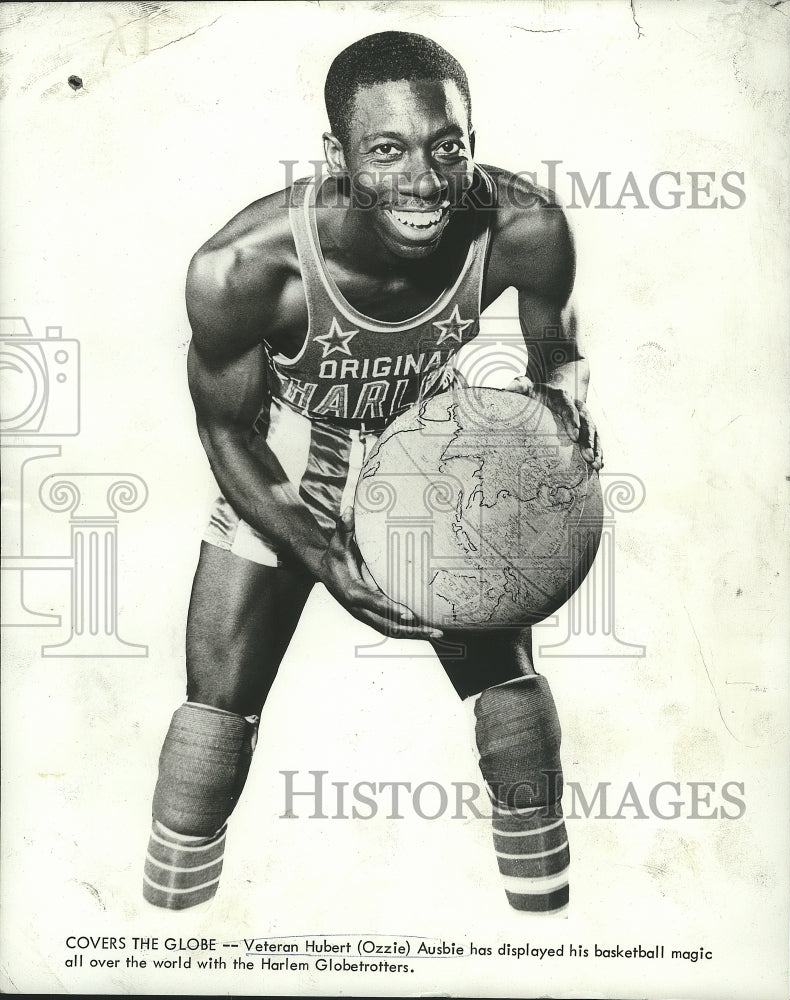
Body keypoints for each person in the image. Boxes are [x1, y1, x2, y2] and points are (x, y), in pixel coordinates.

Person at [142, 30, 603, 915]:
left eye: (447, 146)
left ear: (472, 135)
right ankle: (160, 938)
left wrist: (563, 417)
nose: (426, 180)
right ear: (336, 156)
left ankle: (552, 936)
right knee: (211, 719)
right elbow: (227, 430)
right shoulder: (242, 267)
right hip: (285, 461)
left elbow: (559, 355)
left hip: (434, 456)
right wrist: (324, 555)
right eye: (386, 150)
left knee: (512, 702)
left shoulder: (526, 226)